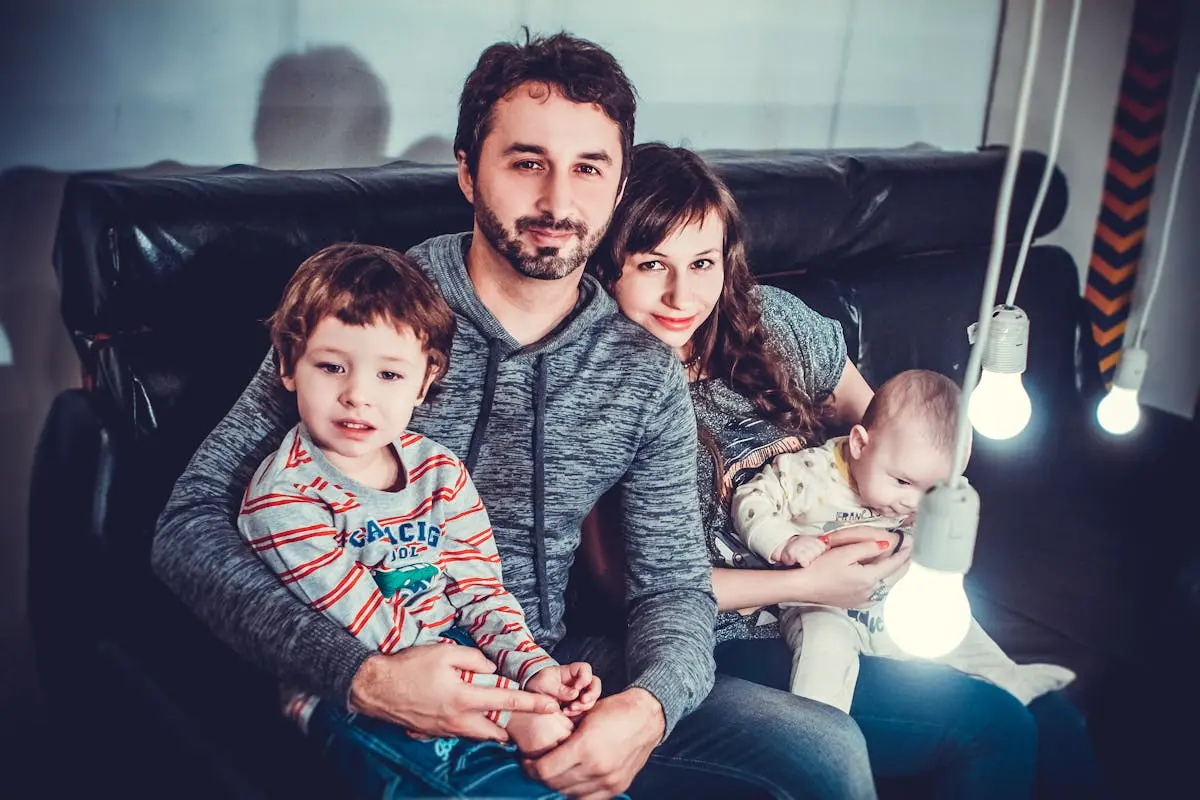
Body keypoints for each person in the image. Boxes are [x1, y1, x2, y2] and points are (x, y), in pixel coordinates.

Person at [153, 32, 877, 800]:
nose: (558, 204)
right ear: (469, 171)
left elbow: (670, 586)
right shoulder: (370, 315)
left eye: (588, 168)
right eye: (527, 162)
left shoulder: (638, 367)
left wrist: (649, 707)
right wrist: (365, 677)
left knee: (825, 754)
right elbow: (188, 527)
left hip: (553, 665)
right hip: (377, 673)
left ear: (619, 179)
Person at [587, 141, 1109, 799]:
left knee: (1051, 716)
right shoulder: (602, 387)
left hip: (859, 594)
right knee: (992, 723)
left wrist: (917, 523)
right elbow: (628, 589)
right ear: (608, 266)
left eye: (702, 263)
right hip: (721, 637)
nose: (680, 295)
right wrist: (810, 582)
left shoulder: (771, 324)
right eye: (650, 264)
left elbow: (897, 435)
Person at [239, 242, 602, 767]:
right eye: (331, 367)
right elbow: (364, 623)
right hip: (355, 685)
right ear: (288, 366)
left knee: (568, 754)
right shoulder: (284, 497)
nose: (358, 395)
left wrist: (532, 669)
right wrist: (509, 706)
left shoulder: (439, 471)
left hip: (455, 651)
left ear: (424, 382)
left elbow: (480, 591)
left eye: (389, 374)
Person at [731, 368, 1074, 714]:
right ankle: (817, 728)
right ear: (860, 444)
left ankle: (1010, 679)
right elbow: (750, 499)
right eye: (903, 482)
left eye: (932, 490)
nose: (913, 502)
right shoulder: (809, 473)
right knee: (825, 648)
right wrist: (784, 540)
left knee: (958, 626)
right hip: (821, 602)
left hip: (892, 602)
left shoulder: (915, 493)